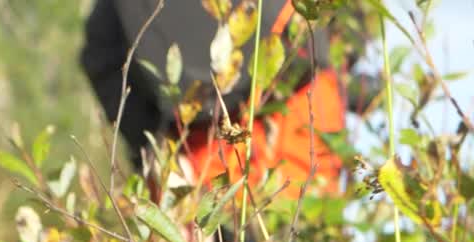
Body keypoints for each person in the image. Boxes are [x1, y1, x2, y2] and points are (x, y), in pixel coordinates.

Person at [79, 0, 362, 203]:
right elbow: (102, 56)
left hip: (279, 117)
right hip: (211, 145)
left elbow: (102, 57)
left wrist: (156, 152)